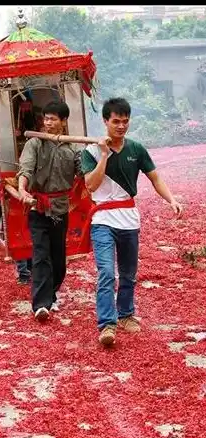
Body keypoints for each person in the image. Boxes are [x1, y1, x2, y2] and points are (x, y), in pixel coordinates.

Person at [81, 97, 182, 346]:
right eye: (116, 121)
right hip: (102, 218)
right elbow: (90, 184)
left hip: (128, 219)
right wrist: (104, 155)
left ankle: (125, 314)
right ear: (105, 121)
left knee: (128, 273)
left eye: (125, 122)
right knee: (106, 272)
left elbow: (155, 179)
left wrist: (171, 199)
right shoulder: (91, 151)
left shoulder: (136, 149)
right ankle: (107, 324)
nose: (121, 126)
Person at [17, 101, 82, 322]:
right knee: (40, 255)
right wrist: (22, 189)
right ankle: (41, 305)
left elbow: (85, 174)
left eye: (53, 119)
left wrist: (102, 155)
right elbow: (25, 169)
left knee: (59, 259)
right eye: (46, 118)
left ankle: (50, 293)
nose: (48, 123)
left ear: (64, 122)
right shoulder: (34, 144)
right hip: (37, 206)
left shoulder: (74, 148)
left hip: (60, 209)